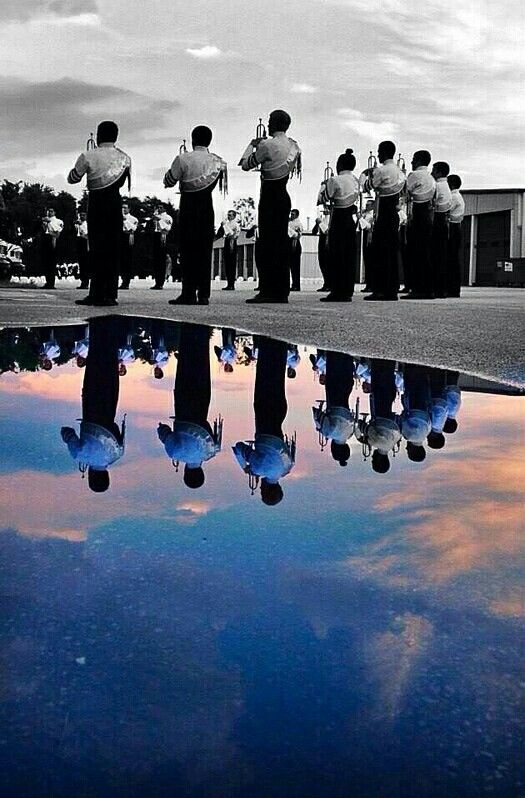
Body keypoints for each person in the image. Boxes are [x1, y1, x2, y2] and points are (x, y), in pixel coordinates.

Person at [240, 109, 301, 304]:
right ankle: (282, 289)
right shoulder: (294, 145)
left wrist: (252, 144)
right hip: (284, 194)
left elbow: (245, 164)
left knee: (267, 244)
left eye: (269, 121)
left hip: (269, 195)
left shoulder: (266, 144)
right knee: (281, 244)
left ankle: (268, 289)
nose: (267, 124)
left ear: (274, 123)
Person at [68, 120, 131, 307]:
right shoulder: (125, 158)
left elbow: (73, 178)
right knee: (113, 249)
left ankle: (96, 293)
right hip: (115, 202)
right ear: (116, 136)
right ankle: (111, 294)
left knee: (96, 249)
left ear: (98, 135)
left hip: (96, 202)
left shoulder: (88, 155)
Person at [60, 317, 126, 492]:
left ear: (107, 476)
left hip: (110, 407)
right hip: (90, 410)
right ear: (90, 476)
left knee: (109, 364)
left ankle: (112, 326)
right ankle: (97, 326)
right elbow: (67, 432)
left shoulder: (118, 454)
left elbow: (118, 431)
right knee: (95, 364)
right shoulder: (79, 455)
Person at [164, 126, 227, 306]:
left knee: (188, 250)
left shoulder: (183, 158)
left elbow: (169, 181)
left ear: (193, 139)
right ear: (209, 140)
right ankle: (204, 294)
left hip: (188, 206)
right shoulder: (218, 162)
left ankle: (188, 292)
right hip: (207, 207)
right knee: (204, 251)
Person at [158, 324, 222, 488]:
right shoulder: (175, 453)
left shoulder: (212, 451)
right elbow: (164, 432)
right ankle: (187, 330)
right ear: (186, 472)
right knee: (186, 366)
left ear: (202, 472)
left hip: (202, 408)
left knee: (201, 366)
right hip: (183, 409)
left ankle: (202, 332)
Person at [233, 337, 295, 504]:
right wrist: (245, 467)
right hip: (264, 423)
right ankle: (266, 343)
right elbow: (239, 448)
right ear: (265, 489)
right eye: (262, 491)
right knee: (265, 378)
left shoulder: (288, 468)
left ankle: (280, 345)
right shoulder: (258, 468)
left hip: (279, 417)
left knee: (276, 379)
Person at [364, 141, 406, 302]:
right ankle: (392, 288)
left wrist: (368, 174)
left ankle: (380, 289)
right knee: (392, 252)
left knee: (380, 252)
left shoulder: (381, 170)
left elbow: (368, 186)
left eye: (379, 152)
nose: (378, 155)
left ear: (384, 152)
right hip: (393, 211)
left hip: (383, 210)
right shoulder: (400, 172)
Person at [317, 148, 359, 302]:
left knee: (336, 254)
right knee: (349, 255)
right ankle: (347, 289)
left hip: (338, 216)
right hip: (350, 217)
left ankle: (337, 290)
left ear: (339, 164)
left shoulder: (335, 180)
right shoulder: (355, 180)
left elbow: (323, 198)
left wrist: (323, 186)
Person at [402, 150, 436, 299]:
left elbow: (404, 192)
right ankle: (427, 288)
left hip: (418, 212)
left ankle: (418, 288)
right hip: (428, 214)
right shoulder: (431, 177)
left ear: (419, 160)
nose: (411, 162)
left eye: (414, 159)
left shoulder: (414, 175)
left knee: (416, 252)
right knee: (426, 253)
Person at [312, 351, 356, 466]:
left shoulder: (350, 434)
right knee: (333, 364)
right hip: (334, 398)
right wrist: (319, 427)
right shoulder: (329, 433)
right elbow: (317, 414)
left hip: (346, 394)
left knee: (346, 366)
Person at [359, 359, 401, 473]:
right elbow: (364, 427)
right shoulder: (376, 442)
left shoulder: (392, 443)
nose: (372, 457)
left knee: (388, 375)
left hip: (388, 402)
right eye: (373, 460)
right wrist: (361, 437)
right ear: (378, 460)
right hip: (379, 408)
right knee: (378, 375)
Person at [400, 363, 432, 462]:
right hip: (412, 406)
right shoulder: (408, 436)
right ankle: (409, 365)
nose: (406, 449)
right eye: (408, 451)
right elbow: (403, 420)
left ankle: (422, 366)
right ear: (413, 451)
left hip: (424, 405)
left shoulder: (426, 433)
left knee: (422, 383)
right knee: (410, 383)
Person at [430, 161, 452, 298]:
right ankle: (442, 288)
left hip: (436, 219)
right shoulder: (447, 186)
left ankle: (435, 288)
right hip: (444, 221)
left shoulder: (437, 185)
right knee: (442, 256)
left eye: (433, 170)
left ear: (438, 172)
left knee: (434, 256)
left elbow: (430, 203)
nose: (432, 173)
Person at [446, 175, 465, 298]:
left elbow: (445, 210)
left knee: (450, 259)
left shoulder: (453, 197)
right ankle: (453, 288)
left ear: (451, 185)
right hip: (456, 227)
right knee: (452, 259)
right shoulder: (459, 196)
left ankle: (452, 288)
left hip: (452, 227)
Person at [40, 207, 64, 289]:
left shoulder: (58, 221)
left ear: (54, 212)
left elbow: (57, 232)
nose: (49, 213)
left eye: (51, 211)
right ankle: (48, 281)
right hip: (46, 239)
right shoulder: (45, 221)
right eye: (48, 211)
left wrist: (50, 223)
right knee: (46, 262)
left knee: (52, 262)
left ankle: (51, 282)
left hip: (53, 239)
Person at [151, 204, 173, 290]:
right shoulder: (156, 216)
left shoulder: (167, 217)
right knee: (156, 260)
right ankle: (157, 281)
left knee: (161, 260)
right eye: (158, 207)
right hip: (156, 235)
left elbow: (167, 228)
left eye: (161, 207)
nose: (159, 209)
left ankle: (161, 282)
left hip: (163, 236)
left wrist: (159, 220)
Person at [218, 210, 241, 290]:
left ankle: (232, 283)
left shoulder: (236, 224)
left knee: (232, 263)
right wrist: (222, 226)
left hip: (232, 242)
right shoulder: (226, 224)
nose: (229, 216)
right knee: (227, 263)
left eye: (230, 215)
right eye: (228, 215)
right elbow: (220, 233)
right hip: (226, 242)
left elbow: (234, 234)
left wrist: (227, 229)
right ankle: (228, 283)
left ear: (234, 216)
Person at [312, 208, 331, 291]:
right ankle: (326, 283)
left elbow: (327, 231)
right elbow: (314, 232)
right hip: (322, 241)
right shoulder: (322, 220)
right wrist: (317, 224)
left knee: (328, 264)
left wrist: (321, 224)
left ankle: (330, 284)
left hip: (329, 242)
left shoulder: (332, 220)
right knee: (322, 262)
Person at [358, 199, 375, 293]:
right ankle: (368, 283)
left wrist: (361, 219)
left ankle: (371, 284)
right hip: (364, 236)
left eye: (368, 205)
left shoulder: (372, 215)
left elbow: (368, 226)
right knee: (366, 261)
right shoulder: (365, 214)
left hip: (370, 237)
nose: (366, 206)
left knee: (370, 261)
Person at [120, 202, 138, 289]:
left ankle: (126, 281)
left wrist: (125, 220)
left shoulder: (133, 219)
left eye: (125, 208)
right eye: (122, 207)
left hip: (127, 238)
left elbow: (132, 229)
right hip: (119, 237)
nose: (123, 209)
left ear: (129, 209)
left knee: (127, 260)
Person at [288, 209, 303, 291]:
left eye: (293, 214)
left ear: (297, 215)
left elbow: (298, 234)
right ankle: (293, 284)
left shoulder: (298, 223)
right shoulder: (289, 222)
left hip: (295, 243)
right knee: (290, 266)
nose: (292, 215)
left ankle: (296, 285)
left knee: (295, 266)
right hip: (289, 243)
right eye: (291, 214)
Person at [75, 211, 90, 290]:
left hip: (85, 243)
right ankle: (82, 281)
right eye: (81, 215)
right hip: (79, 243)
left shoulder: (86, 225)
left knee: (85, 263)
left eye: (84, 215)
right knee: (81, 263)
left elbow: (87, 235)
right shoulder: (78, 224)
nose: (82, 217)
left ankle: (85, 282)